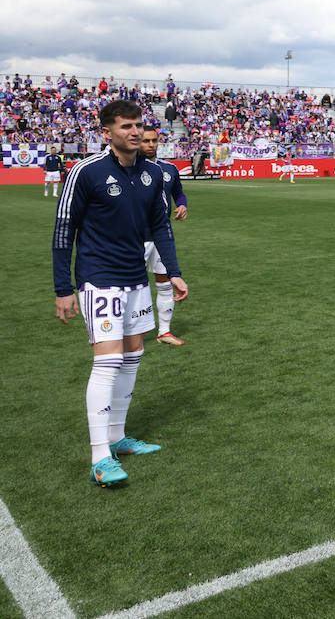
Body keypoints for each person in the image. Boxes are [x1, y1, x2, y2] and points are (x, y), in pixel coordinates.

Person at [53, 99, 189, 487]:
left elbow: (160, 226)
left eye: (138, 126)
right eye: (126, 126)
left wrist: (174, 273)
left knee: (133, 354)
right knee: (108, 361)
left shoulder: (152, 174)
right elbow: (64, 232)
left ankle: (118, 437)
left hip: (135, 277)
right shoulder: (86, 172)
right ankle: (100, 457)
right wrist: (64, 288)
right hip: (100, 277)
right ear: (107, 132)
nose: (134, 132)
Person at [140, 124, 190, 345]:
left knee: (164, 282)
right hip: (136, 238)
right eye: (146, 141)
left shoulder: (169, 168)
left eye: (154, 141)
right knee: (131, 286)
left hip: (160, 235)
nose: (151, 145)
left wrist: (182, 205)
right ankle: (126, 335)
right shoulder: (129, 169)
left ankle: (164, 332)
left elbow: (178, 193)